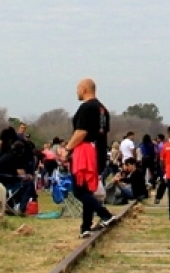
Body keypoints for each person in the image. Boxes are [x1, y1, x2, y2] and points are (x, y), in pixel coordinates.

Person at [61, 78, 118, 239]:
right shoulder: (103, 110)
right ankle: (85, 227)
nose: (76, 92)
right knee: (88, 191)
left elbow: (81, 132)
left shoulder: (86, 108)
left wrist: (68, 148)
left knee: (79, 190)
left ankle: (105, 214)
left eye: (77, 88)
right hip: (98, 152)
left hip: (85, 153)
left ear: (84, 89)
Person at [0, 140, 37, 214]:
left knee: (23, 184)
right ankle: (22, 208)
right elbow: (21, 174)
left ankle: (10, 205)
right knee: (29, 184)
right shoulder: (16, 157)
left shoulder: (5, 155)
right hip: (9, 183)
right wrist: (28, 176)